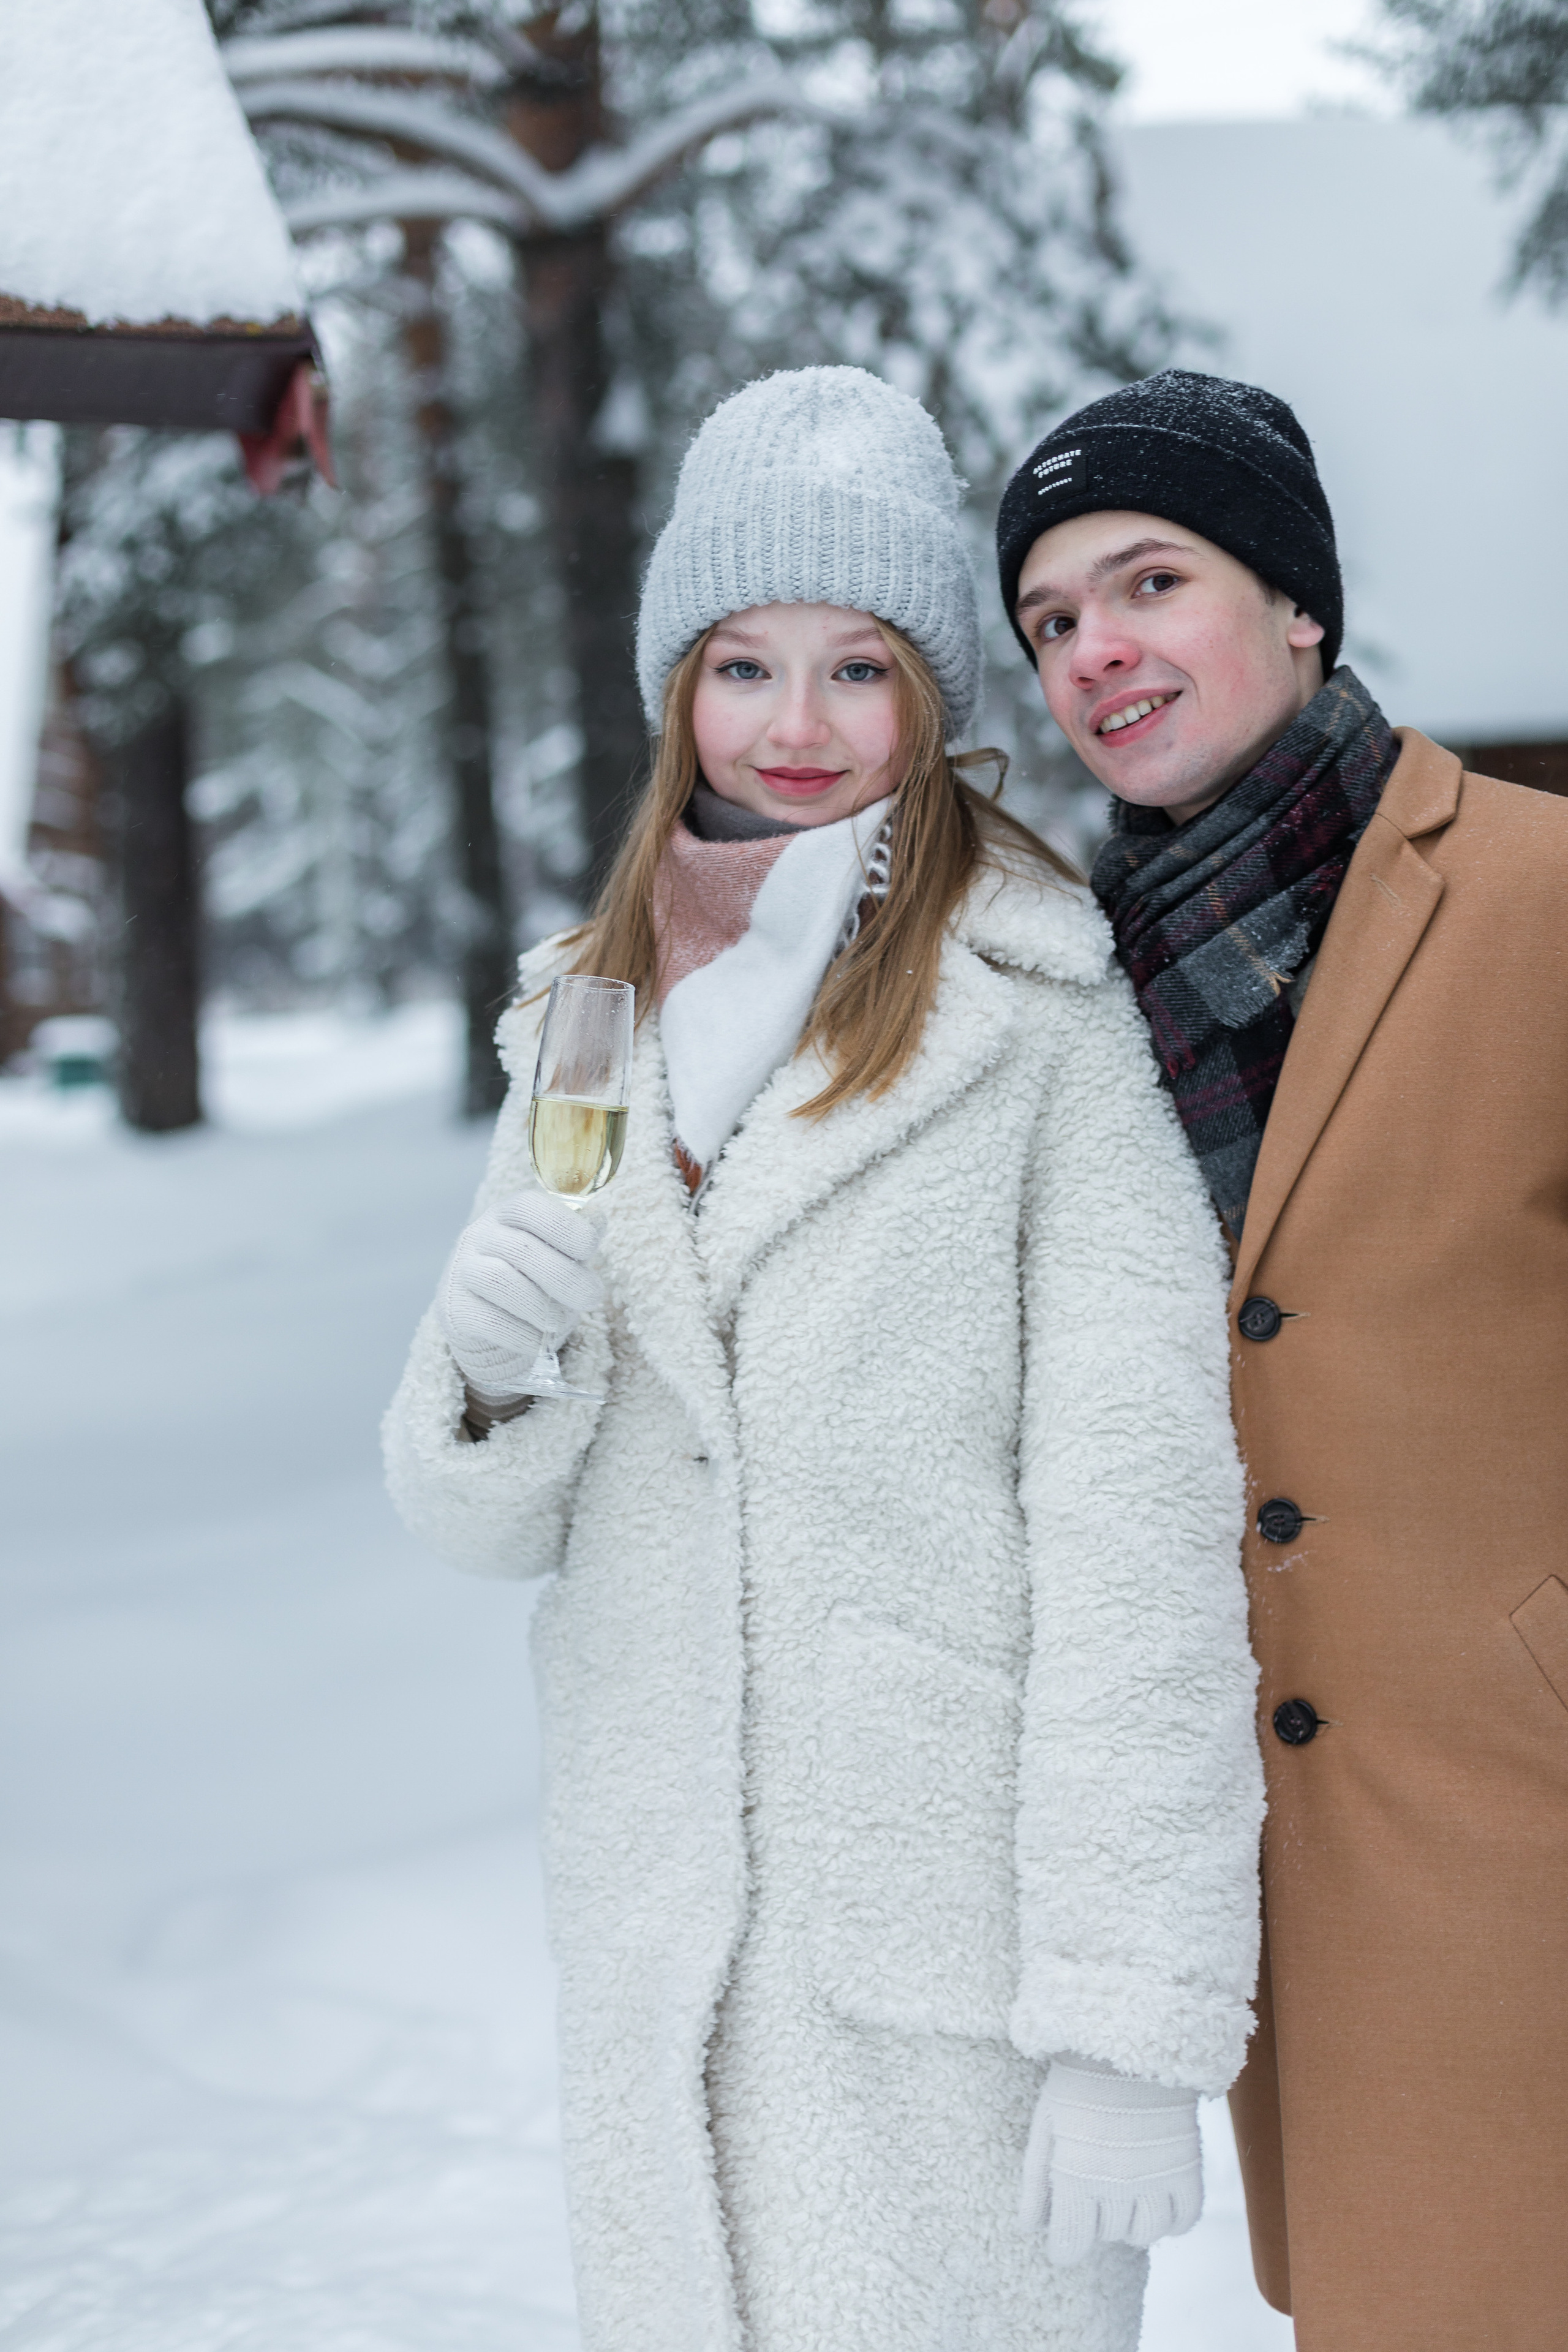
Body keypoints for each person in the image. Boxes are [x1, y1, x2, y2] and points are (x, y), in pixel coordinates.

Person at [385, 366, 1262, 2352]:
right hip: (661, 1960)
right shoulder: (582, 1025)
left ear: (931, 696)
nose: (796, 729)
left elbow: (1140, 1531)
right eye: (744, 666)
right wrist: (492, 1382)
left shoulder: (1038, 1020)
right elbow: (483, 1522)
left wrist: (1130, 2017)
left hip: (940, 1981)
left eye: (856, 670)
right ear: (673, 687)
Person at [997, 364, 1568, 2352]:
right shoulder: (1080, 984)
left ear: (1299, 602)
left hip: (1530, 1821)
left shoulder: (1535, 894)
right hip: (1299, 1892)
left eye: (1147, 581)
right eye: (1052, 622)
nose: (1097, 652)